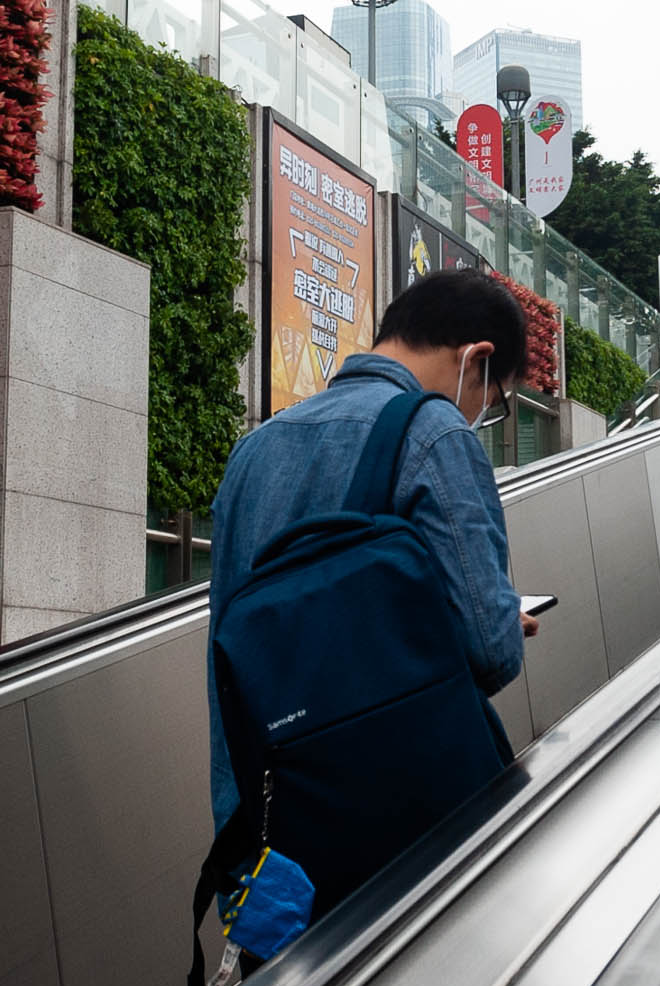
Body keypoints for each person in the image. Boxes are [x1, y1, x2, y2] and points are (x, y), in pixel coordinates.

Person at [205, 268, 537, 843]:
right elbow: (491, 653)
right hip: (394, 830)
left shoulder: (253, 450)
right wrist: (504, 619)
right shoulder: (435, 433)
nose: (481, 413)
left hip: (265, 830)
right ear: (476, 359)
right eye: (495, 398)